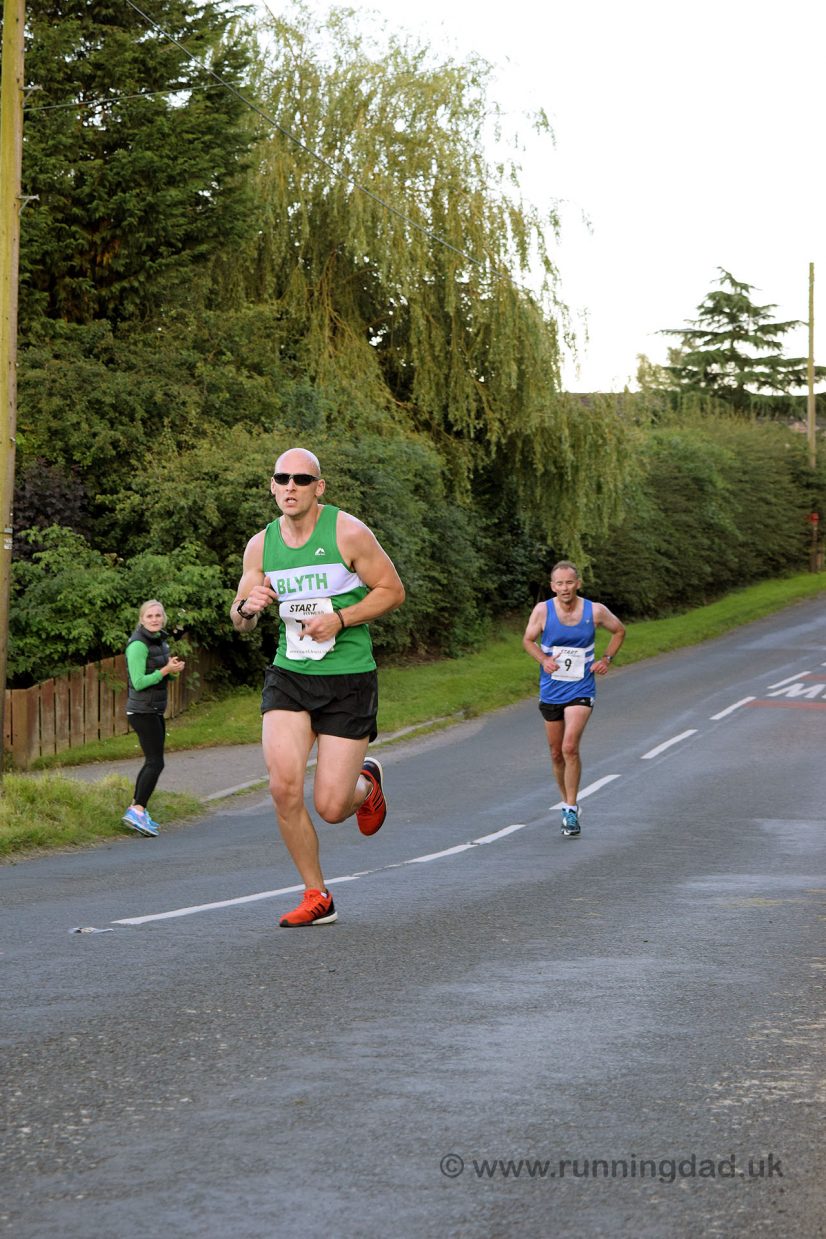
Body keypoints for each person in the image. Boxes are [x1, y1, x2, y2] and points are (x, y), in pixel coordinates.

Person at [231, 447, 405, 927]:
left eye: (301, 480)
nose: (290, 487)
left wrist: (341, 618)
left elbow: (392, 591)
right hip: (290, 675)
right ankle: (317, 895)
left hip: (348, 678)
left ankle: (364, 785)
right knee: (283, 787)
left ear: (318, 488)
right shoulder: (260, 546)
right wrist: (248, 607)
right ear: (272, 486)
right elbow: (239, 617)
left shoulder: (348, 532)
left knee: (330, 806)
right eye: (281, 478)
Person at [522, 561, 625, 837]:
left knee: (569, 747)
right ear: (552, 586)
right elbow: (528, 640)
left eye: (569, 582)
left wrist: (606, 659)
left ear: (578, 583)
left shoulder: (595, 610)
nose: (564, 588)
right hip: (552, 688)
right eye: (559, 583)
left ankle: (570, 808)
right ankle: (566, 799)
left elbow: (619, 631)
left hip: (581, 687)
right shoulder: (543, 610)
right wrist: (543, 659)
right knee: (556, 753)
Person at [122, 600, 185, 838]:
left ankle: (136, 808)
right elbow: (138, 682)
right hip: (141, 711)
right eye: (150, 616)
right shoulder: (138, 645)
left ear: (164, 618)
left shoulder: (160, 641)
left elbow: (161, 677)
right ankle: (137, 809)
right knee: (155, 762)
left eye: (158, 615)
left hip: (153, 709)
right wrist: (165, 671)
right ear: (142, 619)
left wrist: (172, 671)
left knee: (153, 761)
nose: (155, 619)